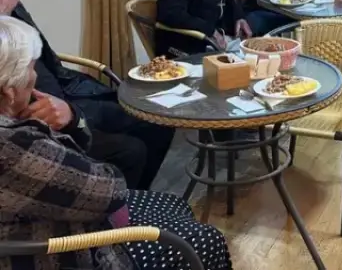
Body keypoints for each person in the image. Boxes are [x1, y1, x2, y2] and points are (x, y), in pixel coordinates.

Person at [0, 16, 232, 270]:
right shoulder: (16, 147)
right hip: (67, 250)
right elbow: (112, 190)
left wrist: (70, 120)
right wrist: (50, 128)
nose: (35, 76)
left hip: (53, 218)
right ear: (10, 91)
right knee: (207, 239)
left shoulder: (16, 131)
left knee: (175, 203)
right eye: (31, 69)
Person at [0, 0, 173, 190]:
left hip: (68, 93)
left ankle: (138, 197)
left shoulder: (12, 4)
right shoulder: (4, 8)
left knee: (157, 119)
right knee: (132, 151)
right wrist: (2, 15)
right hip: (37, 115)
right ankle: (116, 206)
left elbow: (44, 56)